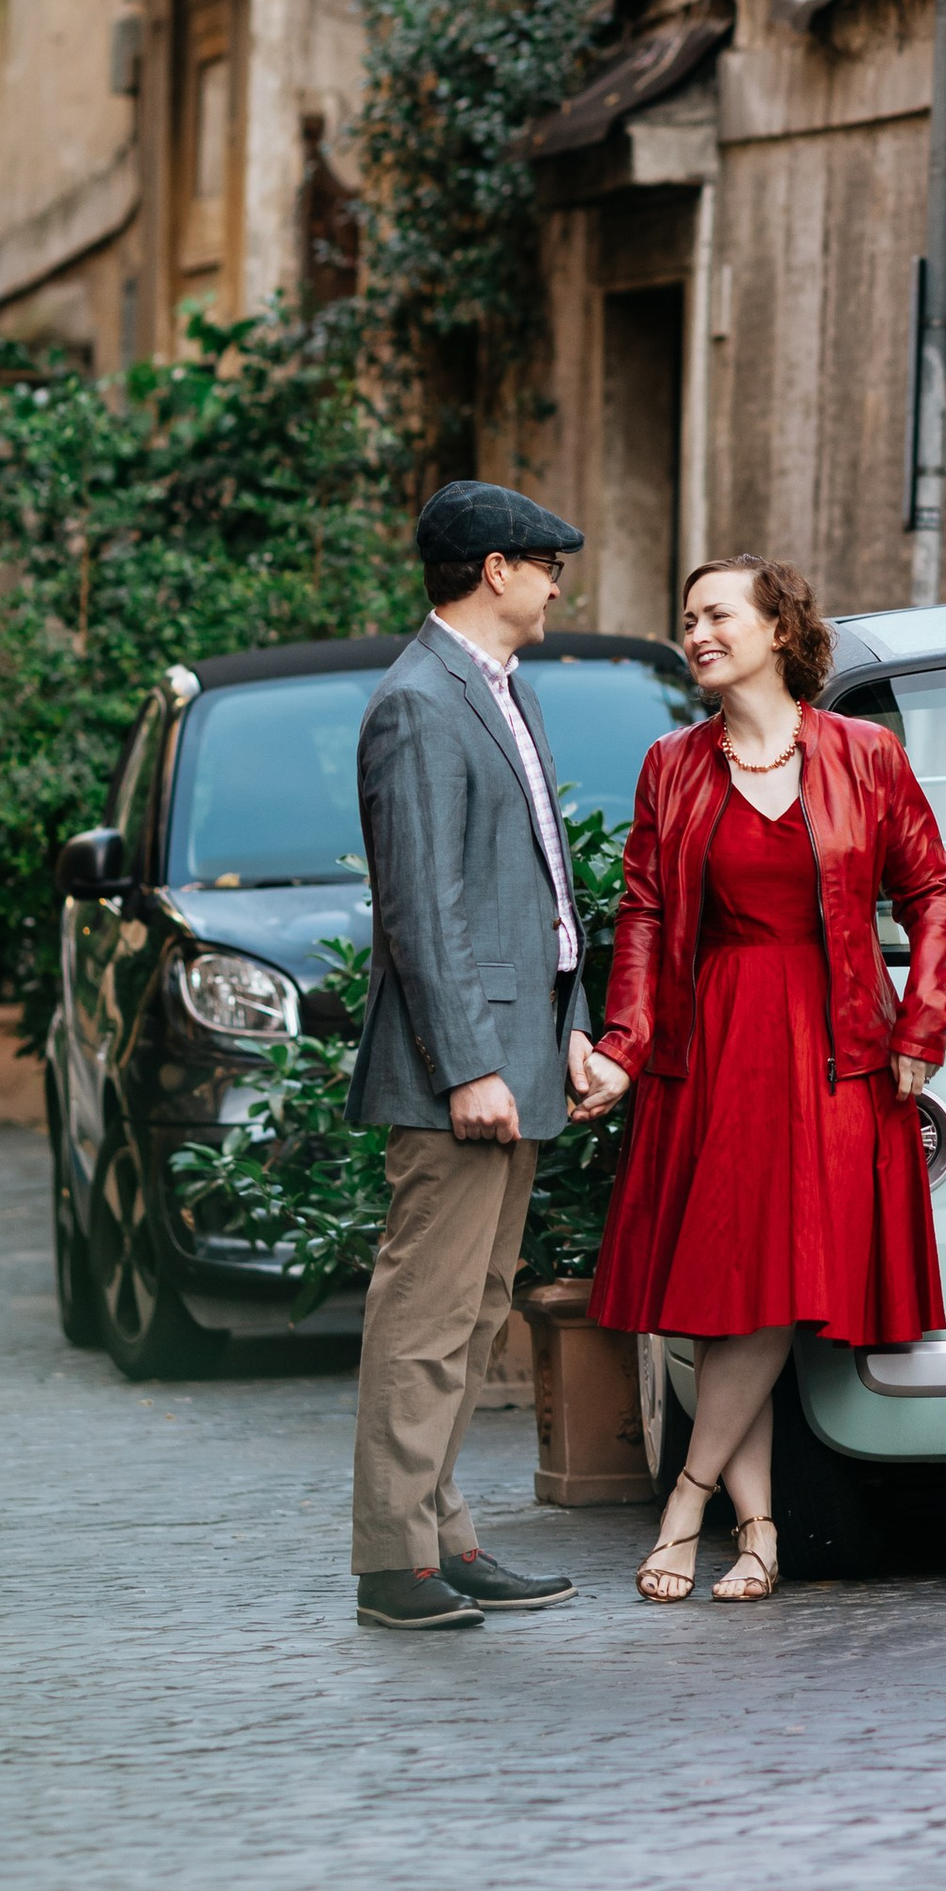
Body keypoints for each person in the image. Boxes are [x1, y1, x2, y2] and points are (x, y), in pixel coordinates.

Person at [575, 553, 946, 1602]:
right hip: (713, 1047)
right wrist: (624, 1042)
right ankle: (758, 1535)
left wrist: (922, 1016)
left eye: (716, 615)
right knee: (720, 1297)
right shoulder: (670, 764)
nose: (696, 632)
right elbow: (646, 916)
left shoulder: (864, 755)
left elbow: (928, 887)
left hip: (833, 1045)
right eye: (686, 617)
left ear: (779, 630)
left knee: (776, 1292)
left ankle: (685, 1505)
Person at [346, 479, 605, 1632]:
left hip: (516, 1052)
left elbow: (538, 892)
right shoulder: (418, 702)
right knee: (426, 1316)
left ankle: (444, 1536)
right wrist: (467, 1066)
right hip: (462, 1072)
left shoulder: (499, 692)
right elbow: (421, 910)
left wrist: (571, 1026)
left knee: (472, 1309)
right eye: (547, 564)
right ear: (494, 569)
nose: (558, 583)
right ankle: (393, 1565)